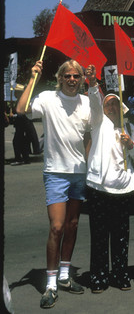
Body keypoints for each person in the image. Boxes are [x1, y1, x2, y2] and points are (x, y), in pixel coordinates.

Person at [16, 59, 91, 309]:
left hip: (78, 174)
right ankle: (50, 284)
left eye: (76, 76)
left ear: (81, 79)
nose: (72, 80)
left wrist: (87, 161)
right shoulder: (47, 98)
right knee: (57, 227)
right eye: (67, 76)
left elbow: (90, 133)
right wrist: (33, 77)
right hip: (55, 174)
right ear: (60, 78)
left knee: (72, 225)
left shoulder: (86, 102)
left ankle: (65, 276)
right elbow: (21, 109)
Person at [85, 65, 134, 293]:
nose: (111, 106)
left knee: (120, 236)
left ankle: (120, 275)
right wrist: (92, 83)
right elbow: (94, 101)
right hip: (99, 188)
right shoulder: (98, 123)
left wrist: (130, 144)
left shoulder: (129, 127)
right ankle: (99, 278)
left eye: (115, 103)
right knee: (99, 235)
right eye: (107, 103)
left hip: (122, 189)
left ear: (121, 106)